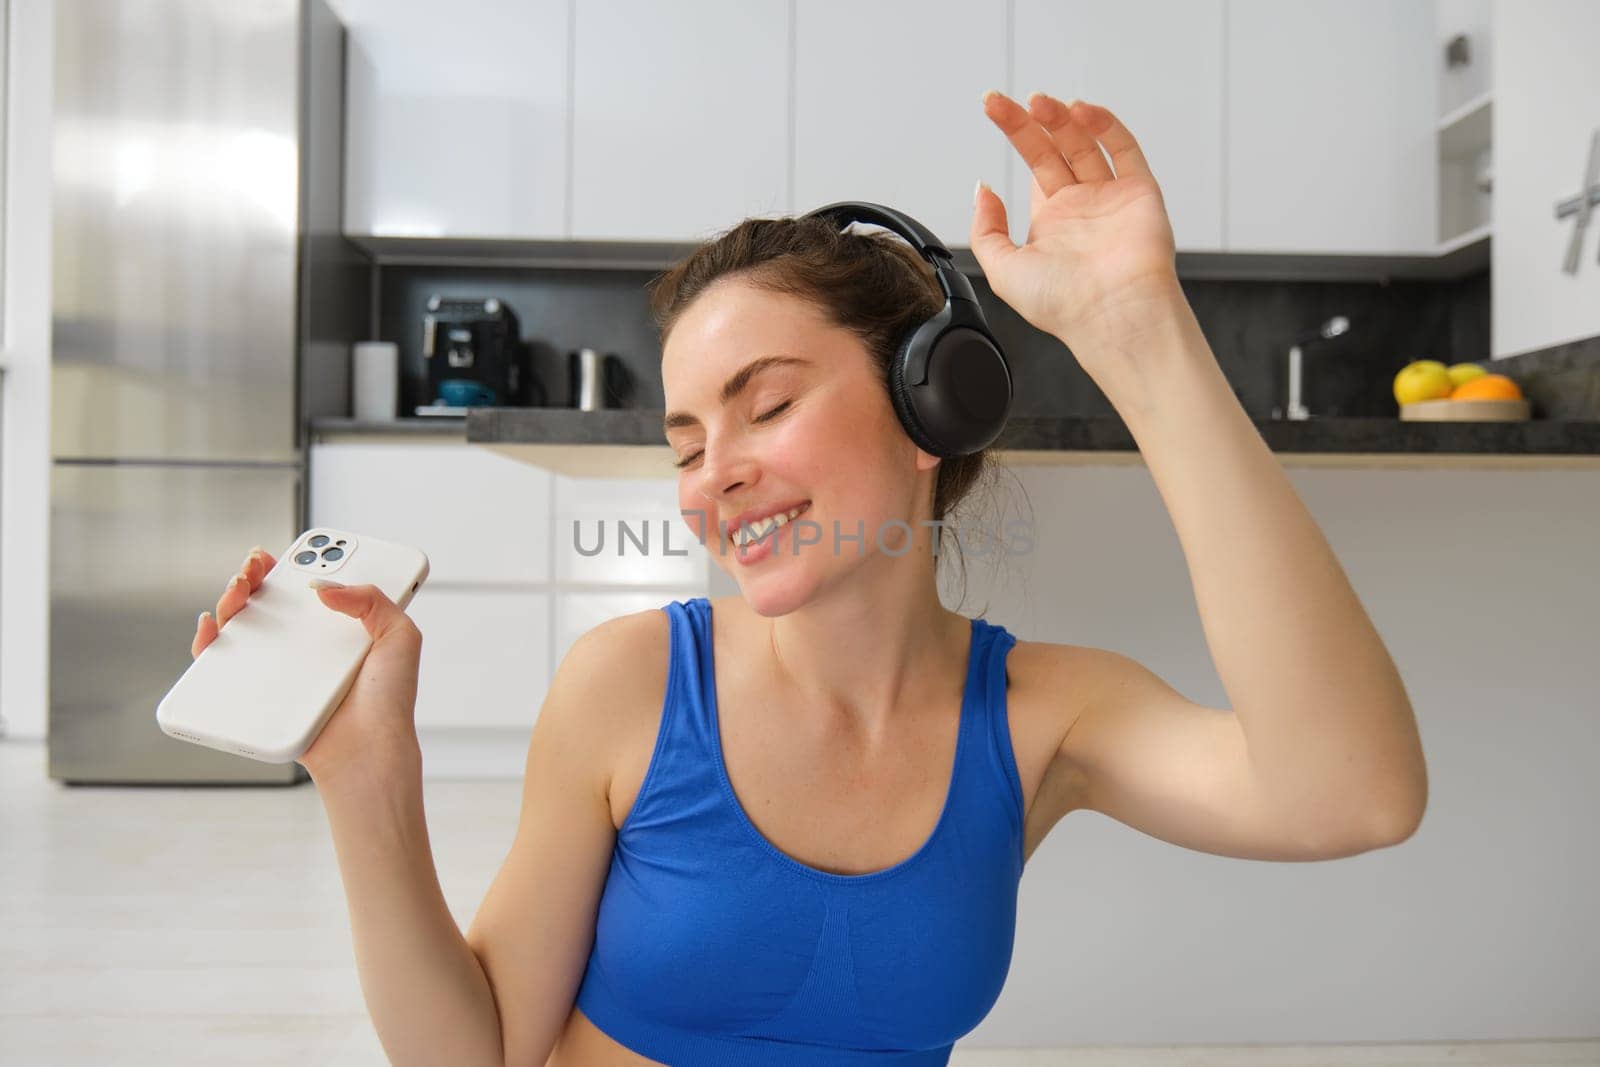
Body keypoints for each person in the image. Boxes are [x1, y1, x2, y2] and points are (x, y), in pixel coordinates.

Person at [192, 90, 1428, 1067]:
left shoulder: (1051, 716)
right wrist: (365, 775)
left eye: (767, 404)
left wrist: (1141, 334)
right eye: (685, 443)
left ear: (929, 403)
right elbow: (476, 1052)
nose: (711, 477)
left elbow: (1352, 796)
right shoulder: (629, 684)